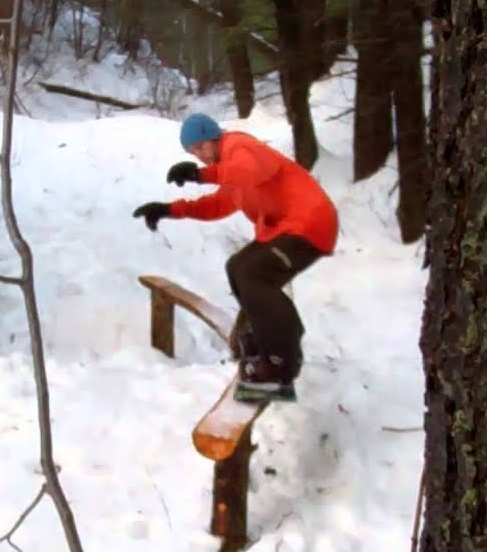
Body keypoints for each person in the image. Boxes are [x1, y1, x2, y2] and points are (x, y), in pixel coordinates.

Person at [133, 113, 338, 402]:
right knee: (238, 266)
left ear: (215, 136)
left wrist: (201, 175)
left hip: (309, 224)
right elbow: (217, 204)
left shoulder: (240, 146)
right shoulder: (228, 168)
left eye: (202, 147)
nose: (201, 157)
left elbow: (247, 172)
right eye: (194, 153)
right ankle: (260, 337)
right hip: (284, 229)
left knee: (255, 275)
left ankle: (280, 362)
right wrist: (169, 209)